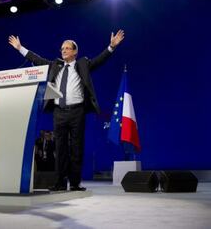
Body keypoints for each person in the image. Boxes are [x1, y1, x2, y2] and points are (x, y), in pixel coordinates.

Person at [8, 30, 125, 191]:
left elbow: (99, 60)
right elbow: (37, 59)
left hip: (77, 112)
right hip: (59, 112)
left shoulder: (83, 63)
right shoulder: (55, 65)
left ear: (75, 51)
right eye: (62, 48)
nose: (63, 50)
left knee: (76, 148)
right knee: (60, 149)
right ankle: (60, 183)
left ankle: (75, 183)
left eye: (67, 48)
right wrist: (20, 48)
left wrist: (111, 47)